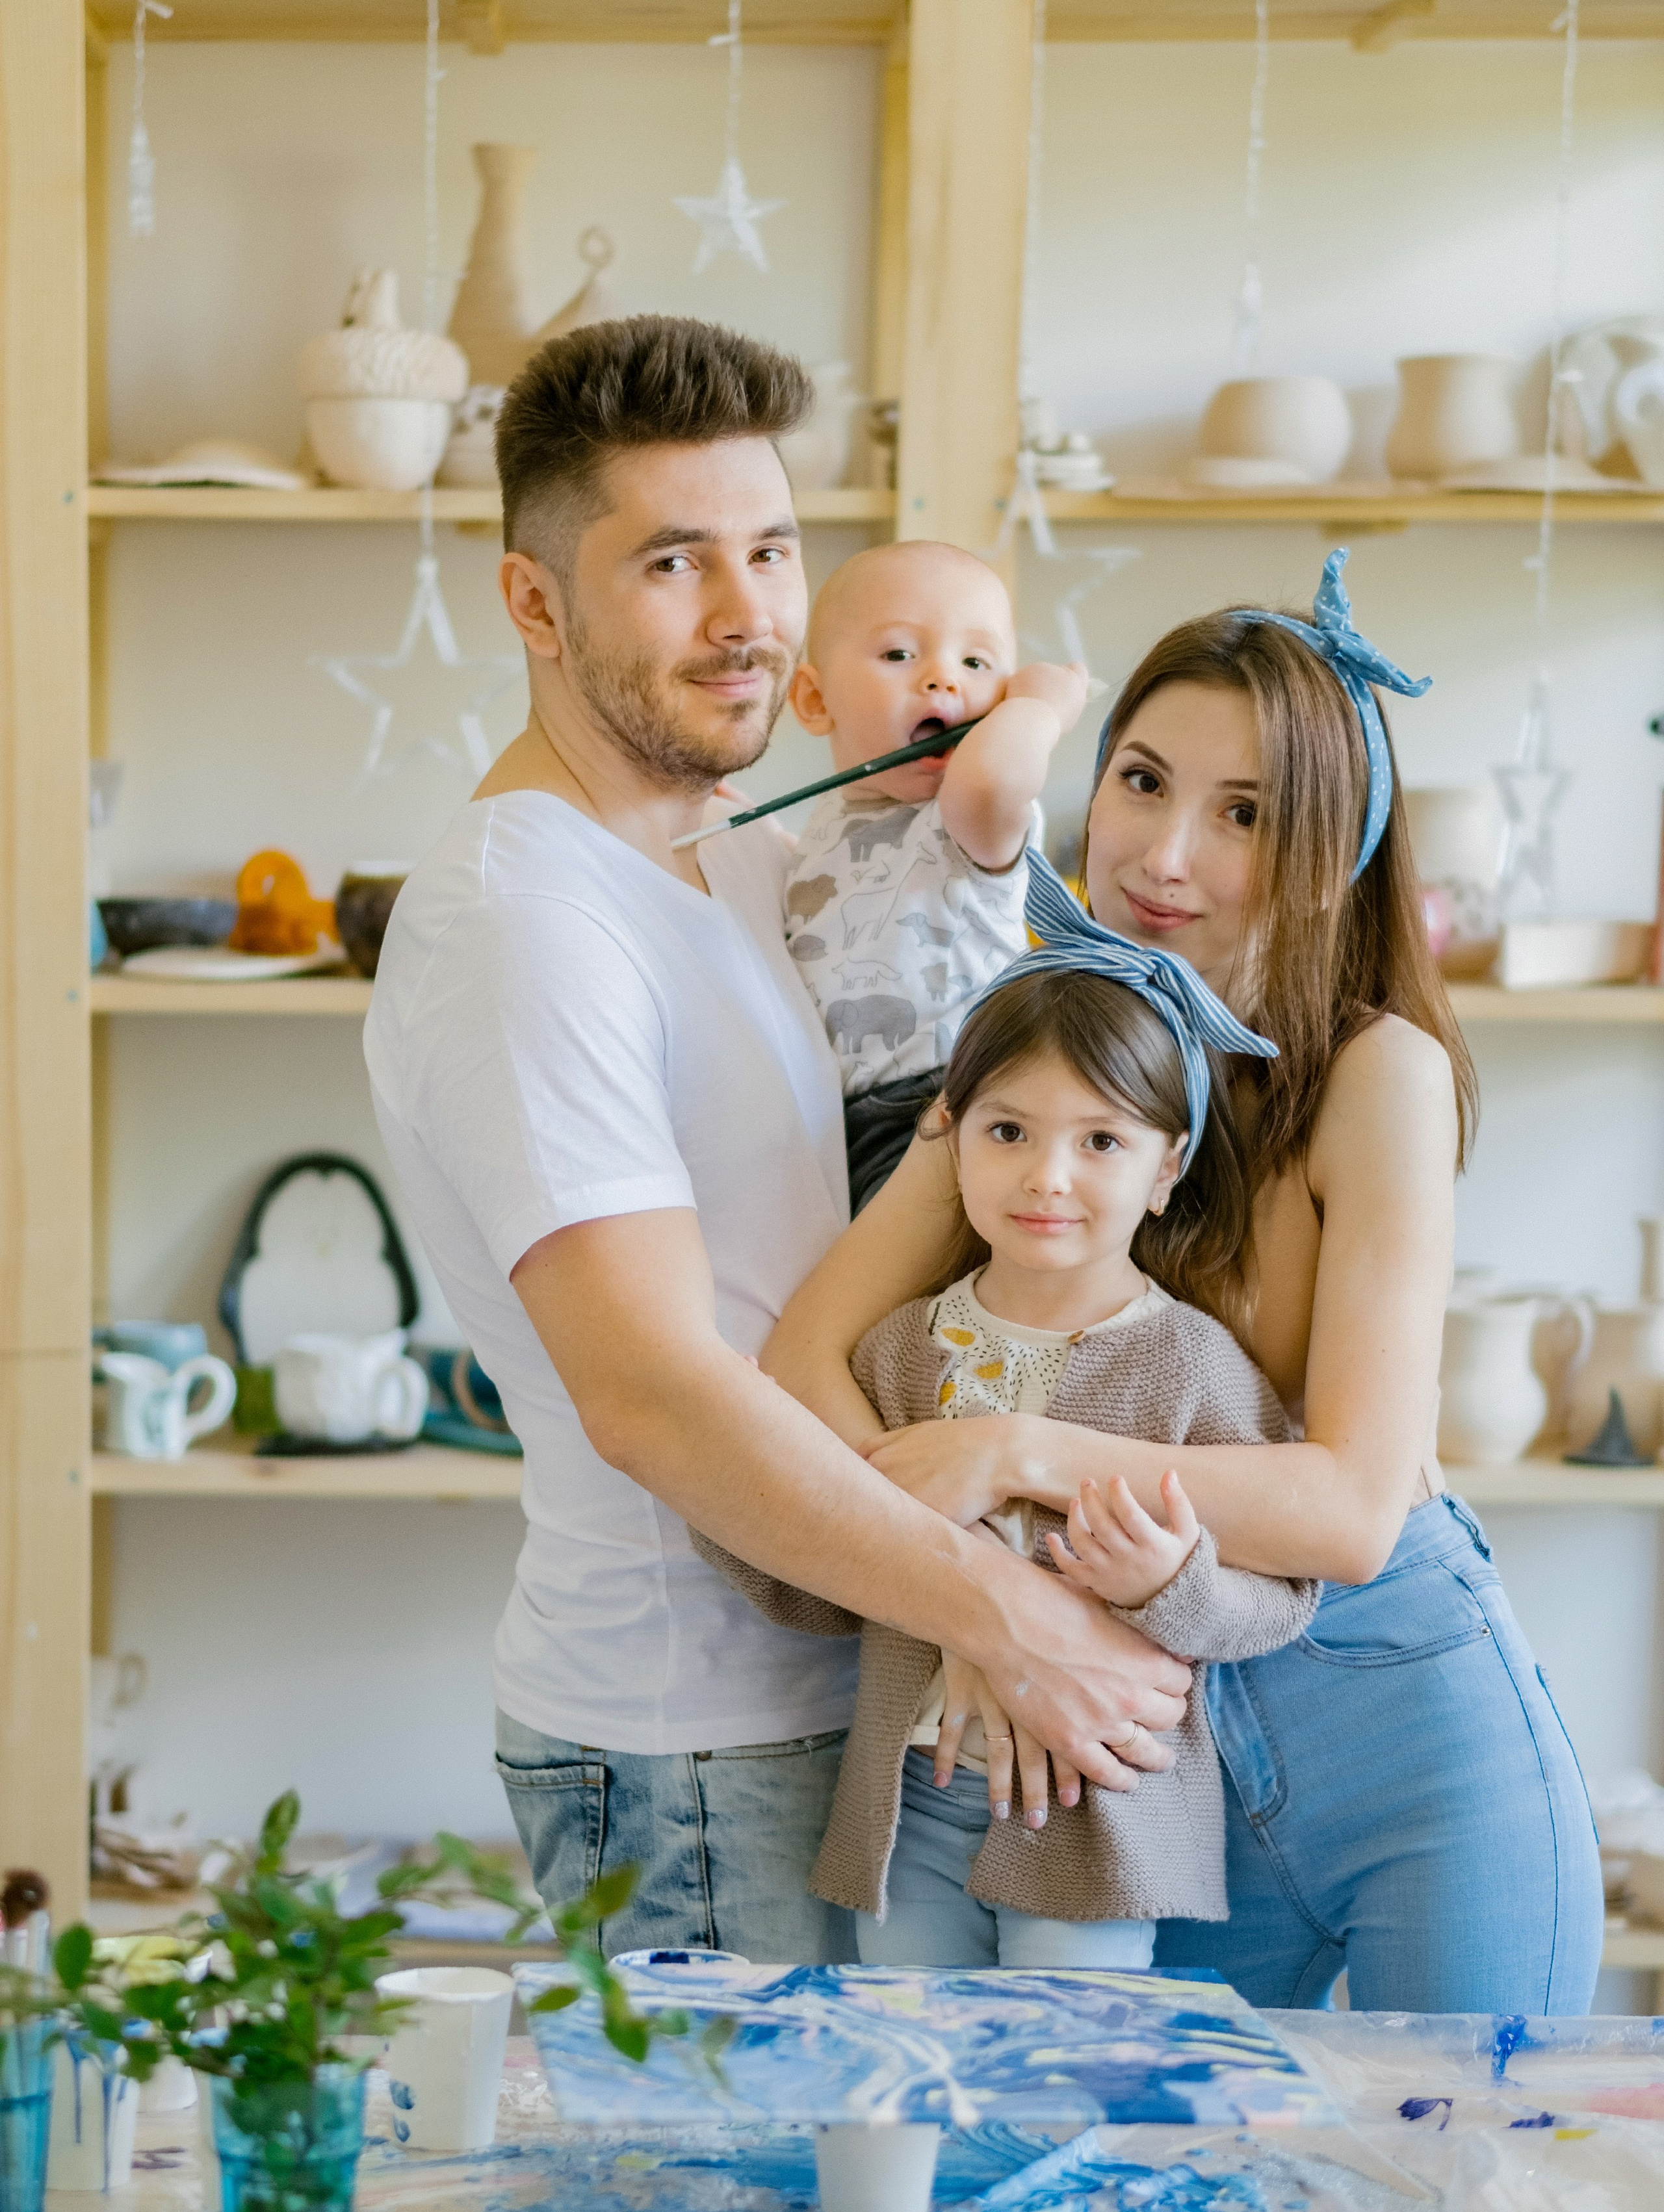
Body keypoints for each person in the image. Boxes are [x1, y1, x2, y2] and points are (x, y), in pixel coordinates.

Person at [363, 314, 1193, 1963]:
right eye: (673, 561)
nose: (747, 614)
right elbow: (654, 1395)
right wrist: (1009, 1617)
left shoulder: (751, 858)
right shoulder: (523, 922)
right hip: (696, 1746)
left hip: (860, 1676)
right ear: (533, 602)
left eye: (769, 550)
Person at [764, 550, 1604, 2015]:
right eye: (1142, 783)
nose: (1162, 856)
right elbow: (798, 1368)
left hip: (1403, 1725)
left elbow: (1349, 1509)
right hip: (1146, 1743)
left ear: (1327, 851)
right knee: (1157, 2153)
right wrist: (971, 1601)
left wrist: (1012, 1455)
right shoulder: (1031, 1053)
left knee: (1467, 2140)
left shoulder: (1377, 1073)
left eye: (1243, 814)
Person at [696, 904, 1320, 1971]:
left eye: (1101, 1141)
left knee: (1063, 2062)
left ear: (1166, 1170)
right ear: (954, 1138)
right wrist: (729, 1491)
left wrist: (1169, 1585)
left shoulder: (1194, 1366)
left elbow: (1284, 1597)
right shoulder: (898, 1355)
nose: (1047, 1176)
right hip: (914, 1804)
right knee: (913, 2056)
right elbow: (831, 1577)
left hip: (1094, 1813)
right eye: (1008, 1132)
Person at [775, 539, 1085, 1211]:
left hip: (959, 1098)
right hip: (844, 1122)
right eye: (898, 654)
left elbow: (993, 778)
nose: (944, 680)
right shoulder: (828, 825)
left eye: (976, 663)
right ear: (815, 699)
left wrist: (1039, 709)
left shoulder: (968, 819)